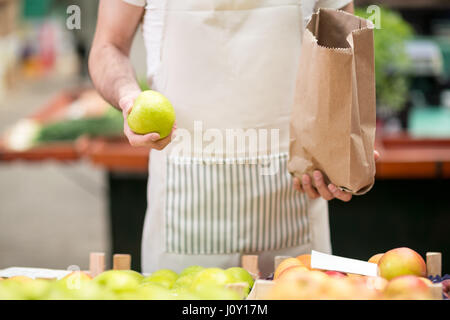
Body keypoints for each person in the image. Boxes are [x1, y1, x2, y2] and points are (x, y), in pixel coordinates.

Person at [89, 0, 378, 277]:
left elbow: (342, 40)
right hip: (185, 204)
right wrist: (128, 96)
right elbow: (108, 46)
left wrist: (339, 144)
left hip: (292, 192)